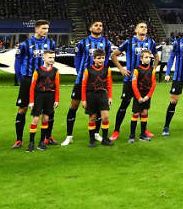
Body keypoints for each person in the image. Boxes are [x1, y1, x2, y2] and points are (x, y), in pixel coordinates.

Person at [63, 20, 116, 146]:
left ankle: (96, 134)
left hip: (99, 81)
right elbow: (77, 58)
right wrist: (80, 72)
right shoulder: (82, 43)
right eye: (96, 25)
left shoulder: (106, 43)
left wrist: (102, 72)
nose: (99, 27)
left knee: (98, 109)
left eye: (101, 25)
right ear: (90, 27)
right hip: (83, 79)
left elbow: (107, 58)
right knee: (74, 106)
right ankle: (69, 136)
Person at [14, 20, 57, 149]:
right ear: (36, 29)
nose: (46, 31)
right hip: (28, 79)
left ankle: (48, 137)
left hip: (47, 80)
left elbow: (53, 59)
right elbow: (18, 62)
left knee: (49, 109)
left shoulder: (51, 43)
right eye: (43, 28)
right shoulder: (25, 44)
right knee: (23, 108)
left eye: (47, 28)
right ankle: (19, 139)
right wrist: (22, 79)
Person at [113, 21, 159, 141]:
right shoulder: (129, 42)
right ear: (136, 30)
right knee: (125, 104)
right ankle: (116, 130)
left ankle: (144, 131)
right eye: (141, 27)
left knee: (144, 106)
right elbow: (114, 55)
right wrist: (121, 69)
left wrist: (153, 69)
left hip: (145, 82)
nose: (144, 29)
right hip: (130, 79)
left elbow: (157, 56)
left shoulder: (151, 42)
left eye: (145, 27)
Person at [26, 50, 60, 151]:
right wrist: (31, 101)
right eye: (49, 57)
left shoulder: (56, 71)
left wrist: (57, 100)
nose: (52, 59)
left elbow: (57, 86)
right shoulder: (37, 71)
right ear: (43, 58)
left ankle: (42, 142)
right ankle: (31, 142)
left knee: (45, 118)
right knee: (35, 119)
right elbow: (32, 87)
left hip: (50, 96)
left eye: (53, 58)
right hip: (39, 96)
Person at [81, 49, 115, 147]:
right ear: (94, 59)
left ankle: (105, 139)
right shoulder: (88, 70)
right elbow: (83, 86)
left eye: (103, 58)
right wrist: (83, 99)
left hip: (102, 95)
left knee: (105, 117)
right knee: (92, 118)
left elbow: (109, 85)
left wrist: (110, 97)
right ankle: (92, 140)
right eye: (99, 58)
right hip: (91, 95)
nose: (101, 60)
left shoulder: (107, 69)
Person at [128, 50, 157, 142]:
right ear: (141, 58)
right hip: (138, 95)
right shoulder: (137, 70)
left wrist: (148, 96)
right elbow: (133, 84)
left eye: (149, 57)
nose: (148, 59)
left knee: (144, 113)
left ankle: (143, 135)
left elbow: (153, 84)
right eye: (146, 57)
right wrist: (138, 97)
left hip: (147, 95)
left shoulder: (152, 70)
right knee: (136, 114)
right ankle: (132, 136)